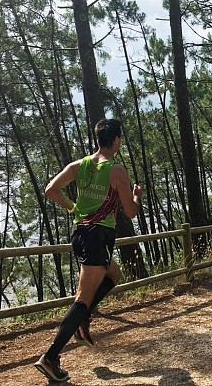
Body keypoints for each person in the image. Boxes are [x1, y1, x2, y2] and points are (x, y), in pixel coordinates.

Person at [34, 118, 142, 382]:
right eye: (121, 138)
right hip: (98, 235)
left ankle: (83, 319)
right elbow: (130, 211)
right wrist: (137, 195)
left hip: (82, 233)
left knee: (113, 274)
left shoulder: (78, 165)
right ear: (115, 140)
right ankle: (50, 357)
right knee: (83, 298)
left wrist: (74, 208)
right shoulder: (116, 171)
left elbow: (51, 190)